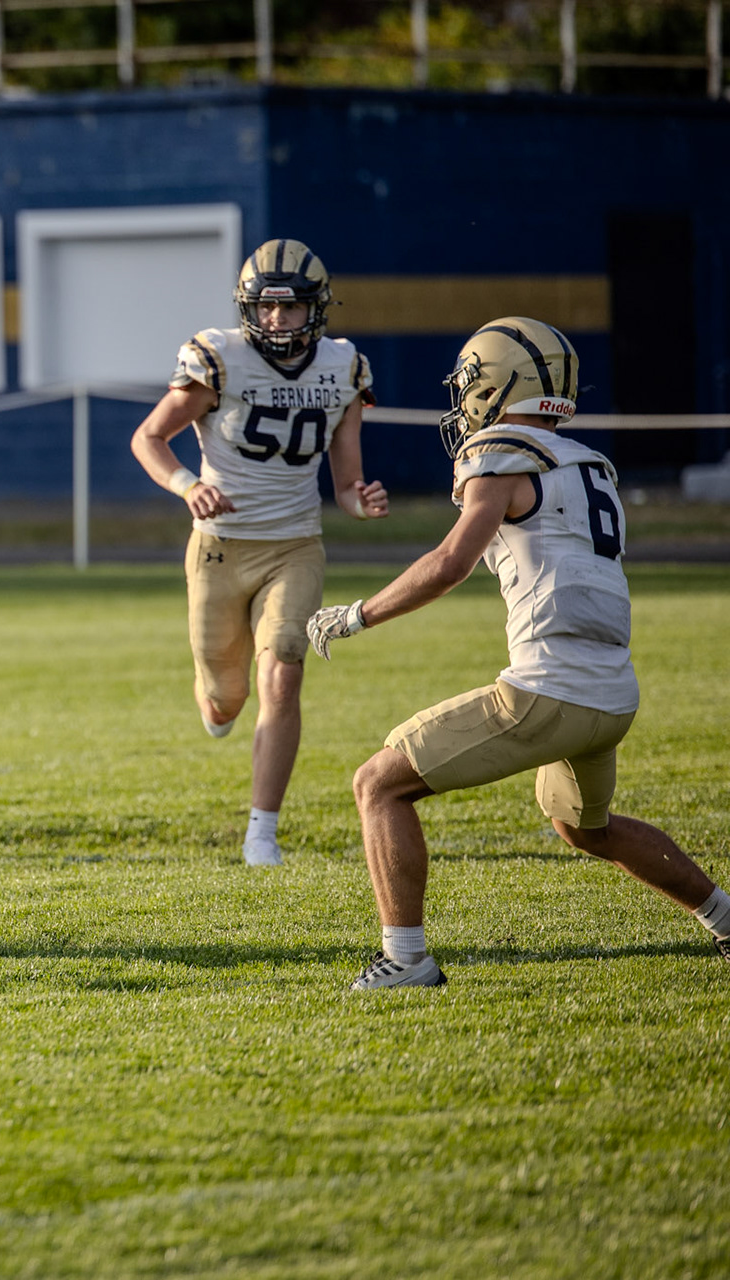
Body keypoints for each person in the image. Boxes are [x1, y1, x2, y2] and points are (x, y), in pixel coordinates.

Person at [308, 317, 730, 989]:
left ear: (503, 384)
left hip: (548, 689)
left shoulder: (500, 454)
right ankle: (726, 919)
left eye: (473, 381)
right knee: (584, 827)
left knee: (378, 783)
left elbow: (449, 563)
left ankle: (407, 960)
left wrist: (357, 615)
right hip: (611, 695)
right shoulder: (589, 464)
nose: (465, 396)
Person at [129, 240, 390, 867]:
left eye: (290, 308)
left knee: (283, 674)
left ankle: (261, 832)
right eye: (265, 308)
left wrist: (362, 500)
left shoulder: (344, 368)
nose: (276, 320)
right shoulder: (219, 359)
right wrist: (188, 485)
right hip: (220, 547)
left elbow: (346, 481)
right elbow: (149, 437)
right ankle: (216, 699)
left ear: (316, 308)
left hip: (295, 545)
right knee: (225, 697)